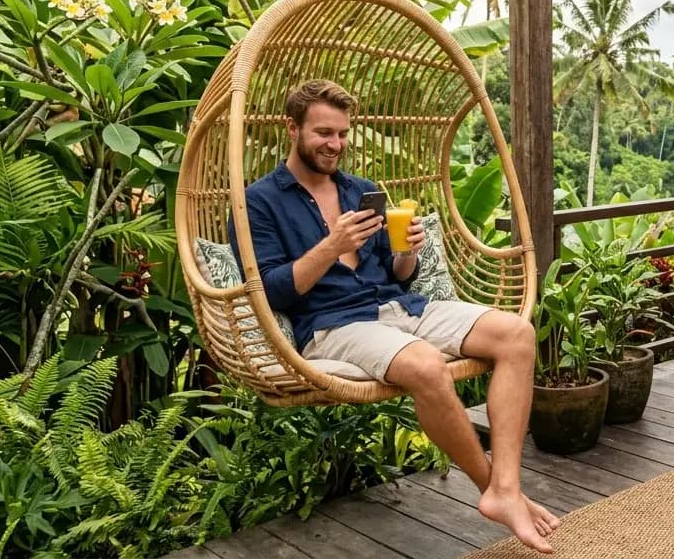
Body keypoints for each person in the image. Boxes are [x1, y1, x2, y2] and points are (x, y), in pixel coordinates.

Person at [230, 80, 559, 554]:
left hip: (400, 308)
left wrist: (408, 252)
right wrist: (332, 246)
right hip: (334, 324)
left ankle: (506, 488)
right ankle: (498, 492)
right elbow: (273, 290)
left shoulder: (362, 191)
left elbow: (396, 275)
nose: (335, 145)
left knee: (516, 334)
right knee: (425, 365)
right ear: (292, 128)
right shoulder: (258, 202)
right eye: (324, 133)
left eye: (343, 134)